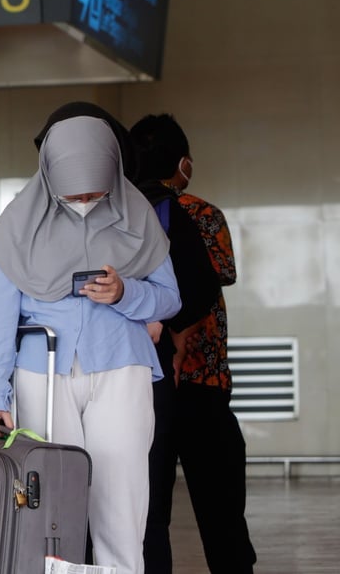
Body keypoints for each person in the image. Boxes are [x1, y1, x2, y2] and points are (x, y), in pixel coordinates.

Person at [0, 109, 181, 574]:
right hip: (42, 374)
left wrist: (126, 292)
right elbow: (2, 324)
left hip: (121, 369)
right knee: (52, 509)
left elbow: (169, 300)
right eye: (73, 192)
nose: (85, 200)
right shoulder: (18, 225)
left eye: (94, 190)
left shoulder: (138, 216)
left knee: (121, 503)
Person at [131, 113, 257, 574]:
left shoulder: (123, 214)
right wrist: (183, 341)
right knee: (222, 510)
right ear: (183, 161)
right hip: (202, 382)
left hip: (142, 384)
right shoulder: (200, 214)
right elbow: (215, 279)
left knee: (149, 511)